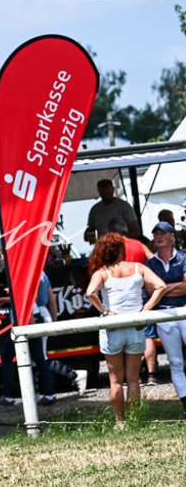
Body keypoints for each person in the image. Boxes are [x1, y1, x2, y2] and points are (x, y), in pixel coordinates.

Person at [86, 233, 166, 425]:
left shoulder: (102, 273)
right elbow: (161, 286)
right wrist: (145, 310)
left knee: (115, 380)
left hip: (112, 328)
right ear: (121, 250)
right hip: (136, 327)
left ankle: (120, 421)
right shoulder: (139, 267)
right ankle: (135, 420)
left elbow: (90, 293)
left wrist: (105, 312)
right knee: (133, 379)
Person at [145, 219, 186, 418]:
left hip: (184, 311)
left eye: (163, 233)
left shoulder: (184, 258)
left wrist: (162, 289)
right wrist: (174, 286)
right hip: (164, 315)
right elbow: (150, 289)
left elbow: (185, 287)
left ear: (172, 236)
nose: (159, 236)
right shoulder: (150, 264)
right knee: (176, 362)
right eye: (156, 233)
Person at [85, 179, 140, 243]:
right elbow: (90, 232)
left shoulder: (124, 206)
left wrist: (118, 240)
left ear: (113, 189)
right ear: (99, 192)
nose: (106, 196)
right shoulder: (95, 210)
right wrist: (94, 243)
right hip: (104, 248)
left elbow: (136, 232)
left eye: (108, 193)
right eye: (103, 194)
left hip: (123, 246)